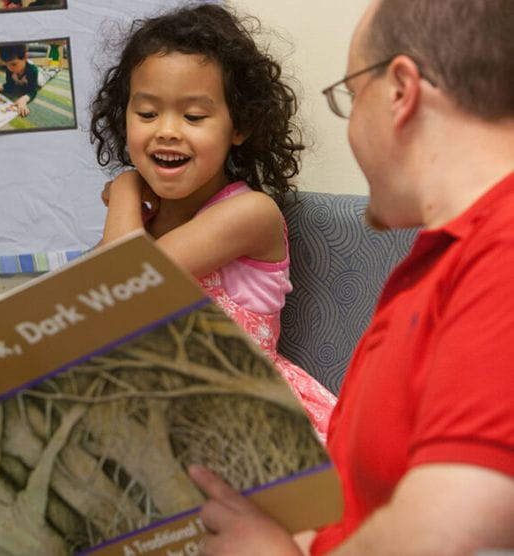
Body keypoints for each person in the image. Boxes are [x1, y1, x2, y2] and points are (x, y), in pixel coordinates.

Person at [188, 0, 514, 554]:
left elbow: (450, 526)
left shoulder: (501, 250)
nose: (351, 129)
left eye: (352, 96)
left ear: (400, 92)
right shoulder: (435, 262)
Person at [90, 4, 336, 440]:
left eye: (194, 116)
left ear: (238, 126)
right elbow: (89, 315)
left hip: (243, 423)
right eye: (147, 114)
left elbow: (119, 288)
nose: (167, 130)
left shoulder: (249, 213)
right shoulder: (138, 226)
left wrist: (126, 187)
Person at [0, 43, 57, 118]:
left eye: (13, 64)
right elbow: (10, 85)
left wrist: (23, 100)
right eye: (6, 64)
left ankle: (55, 69)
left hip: (40, 76)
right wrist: (0, 87)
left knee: (47, 76)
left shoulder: (32, 70)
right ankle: (45, 68)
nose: (9, 68)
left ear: (25, 57)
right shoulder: (9, 69)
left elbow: (33, 91)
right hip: (27, 74)